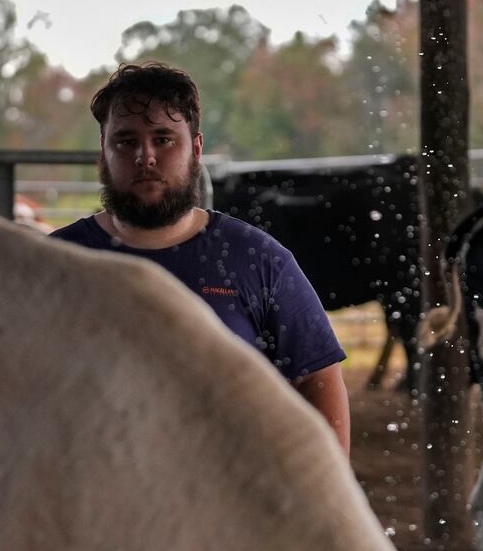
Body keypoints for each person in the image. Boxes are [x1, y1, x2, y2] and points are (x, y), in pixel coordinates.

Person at [50, 62, 351, 455]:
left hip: (229, 505)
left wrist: (322, 504)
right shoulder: (58, 264)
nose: (146, 157)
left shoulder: (258, 261)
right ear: (103, 154)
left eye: (163, 139)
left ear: (195, 148)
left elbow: (317, 379)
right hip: (92, 502)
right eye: (125, 141)